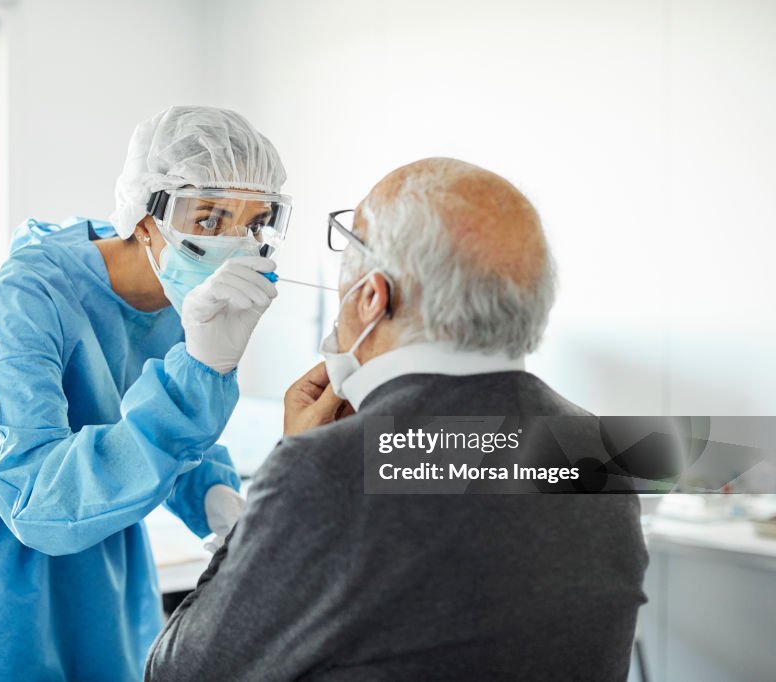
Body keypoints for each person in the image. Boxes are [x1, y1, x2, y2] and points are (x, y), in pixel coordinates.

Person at [145, 157, 649, 681]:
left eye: (349, 245)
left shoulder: (330, 470)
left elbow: (180, 672)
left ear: (371, 296)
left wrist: (282, 484)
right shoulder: (598, 452)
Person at [0, 106, 292, 681]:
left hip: (106, 550)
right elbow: (37, 499)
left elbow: (167, 431)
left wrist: (215, 495)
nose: (233, 245)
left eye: (254, 224)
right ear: (147, 218)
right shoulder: (31, 292)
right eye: (210, 218)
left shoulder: (183, 298)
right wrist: (199, 369)